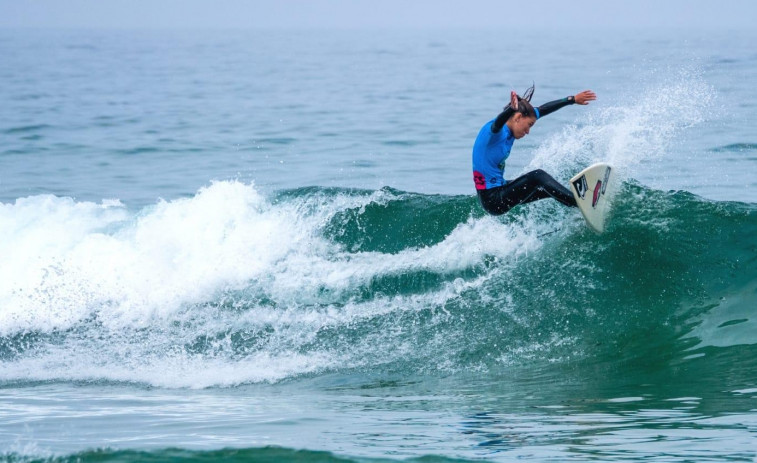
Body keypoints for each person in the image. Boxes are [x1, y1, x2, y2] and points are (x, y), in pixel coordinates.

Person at [472, 85, 596, 215]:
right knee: (538, 176)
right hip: (493, 200)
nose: (528, 131)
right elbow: (497, 123)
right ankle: (582, 204)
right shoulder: (494, 132)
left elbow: (542, 109)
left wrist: (572, 99)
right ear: (518, 117)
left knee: (547, 189)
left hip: (498, 190)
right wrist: (510, 110)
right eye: (529, 125)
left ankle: (579, 211)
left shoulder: (512, 127)